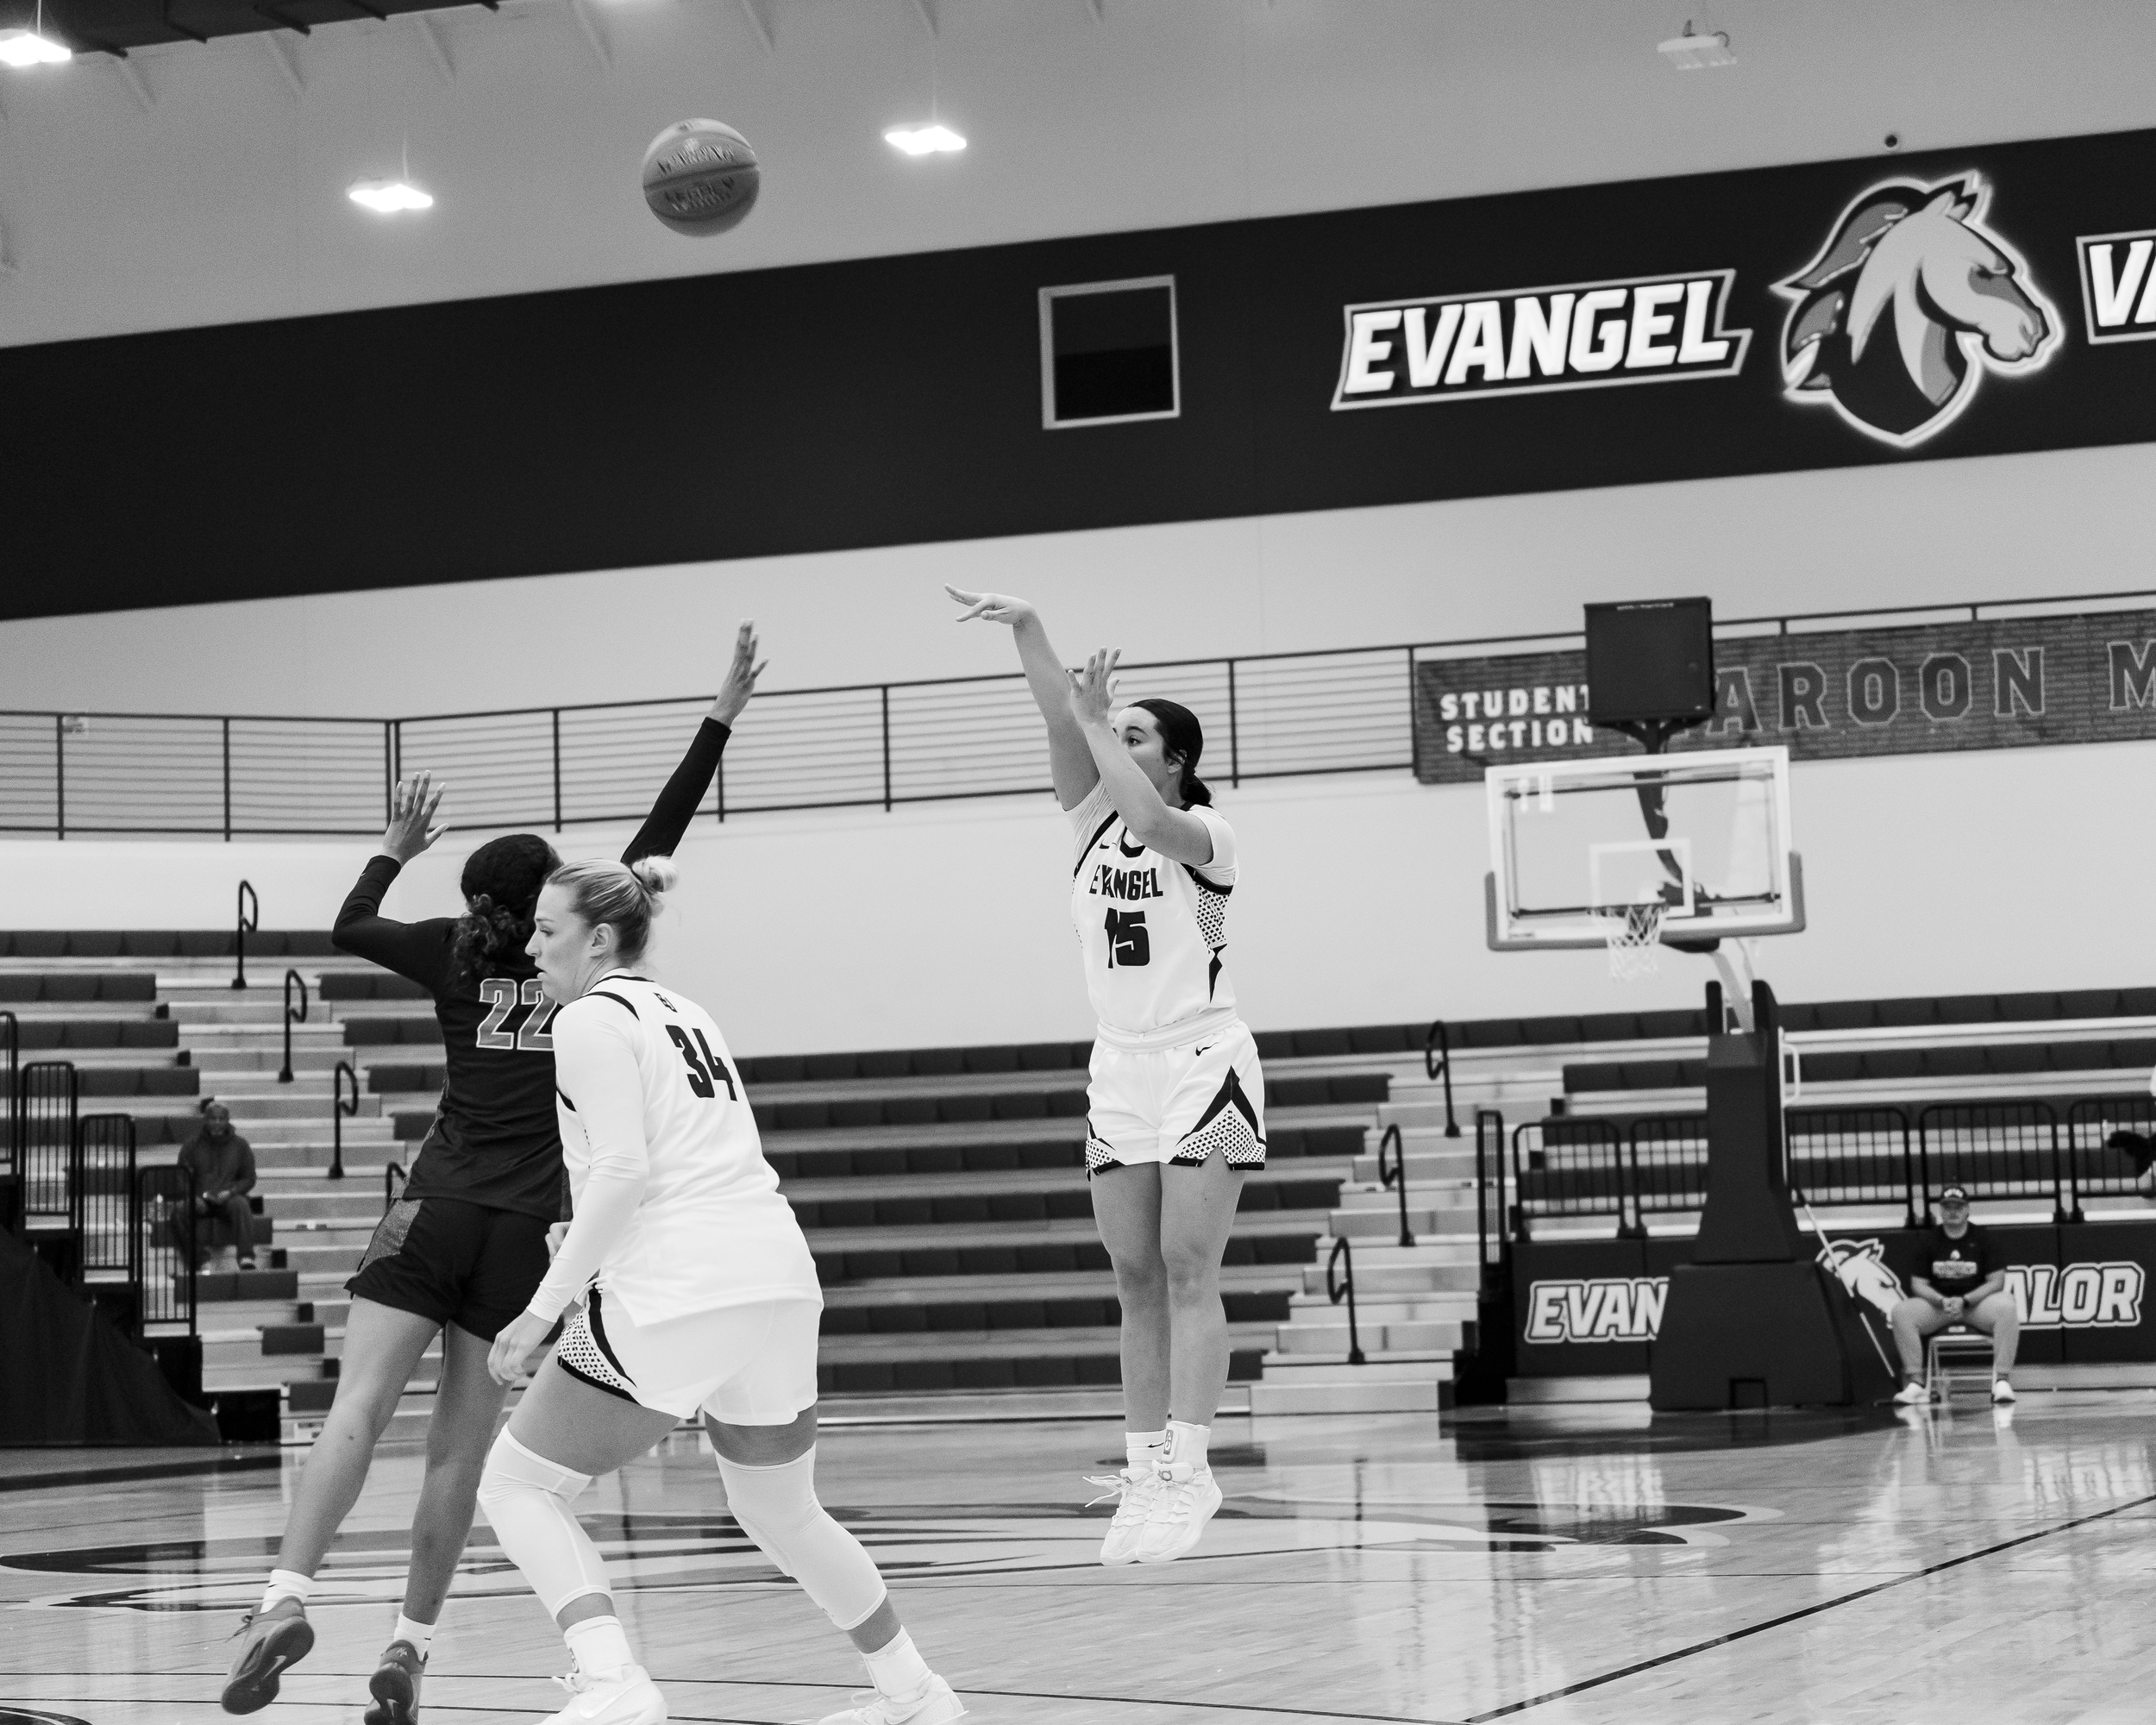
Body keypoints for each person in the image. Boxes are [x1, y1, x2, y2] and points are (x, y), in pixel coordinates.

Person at [220, 624, 765, 1725]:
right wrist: (718, 717)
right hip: (525, 1234)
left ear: (478, 899)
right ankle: (410, 1650)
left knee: (356, 1412)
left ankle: (284, 1594)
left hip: (433, 1202)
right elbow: (659, 832)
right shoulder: (577, 952)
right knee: (459, 1454)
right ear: (555, 901)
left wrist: (392, 844)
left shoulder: (445, 947)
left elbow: (347, 921)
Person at [476, 857, 963, 1725]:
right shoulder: (685, 1010)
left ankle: (611, 1677)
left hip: (681, 1283)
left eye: (547, 929)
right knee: (783, 1509)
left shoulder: (589, 1018)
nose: (531, 944)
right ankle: (914, 1689)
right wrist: (587, 1232)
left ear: (597, 938)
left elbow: (624, 1168)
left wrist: (542, 1306)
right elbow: (657, 1164)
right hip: (774, 1276)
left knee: (519, 1484)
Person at [946, 586, 1260, 1567]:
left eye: (1134, 733)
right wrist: (1029, 626)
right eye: (1109, 727)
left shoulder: (1208, 836)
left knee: (1185, 1263)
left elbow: (1143, 811)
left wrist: (1094, 717)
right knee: (1131, 1274)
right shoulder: (1088, 822)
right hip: (1119, 1064)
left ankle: (1193, 1465)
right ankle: (1144, 1464)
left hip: (1203, 1055)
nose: (1107, 738)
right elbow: (1059, 717)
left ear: (1175, 759)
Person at [1890, 1185, 2019, 1406]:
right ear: (1940, 1210)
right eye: (1947, 1206)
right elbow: (1918, 1284)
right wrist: (1941, 1300)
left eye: (1958, 1206)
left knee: (2007, 1305)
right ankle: (1916, 1384)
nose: (1953, 1211)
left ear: (1967, 1209)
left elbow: (1997, 1281)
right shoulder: (1930, 1240)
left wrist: (1966, 1300)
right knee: (1901, 1312)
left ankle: (2002, 1381)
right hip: (1940, 1307)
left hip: (1975, 1306)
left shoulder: (1983, 1238)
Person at [175, 1100, 258, 1272]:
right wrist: (192, 1197)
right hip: (201, 1201)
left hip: (228, 1199)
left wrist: (231, 1192)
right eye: (213, 1119)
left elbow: (249, 1178)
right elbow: (182, 1177)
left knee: (242, 1204)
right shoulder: (192, 1145)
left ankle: (246, 1257)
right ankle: (202, 1260)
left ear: (228, 1120)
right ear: (205, 1120)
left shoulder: (241, 1146)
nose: (217, 1123)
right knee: (179, 1212)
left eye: (221, 1119)